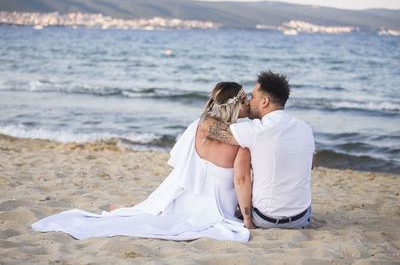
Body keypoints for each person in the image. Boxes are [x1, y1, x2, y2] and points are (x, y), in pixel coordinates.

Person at [31, 82, 252, 242]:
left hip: (194, 199)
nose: (248, 103)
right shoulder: (236, 140)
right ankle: (134, 207)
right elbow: (241, 180)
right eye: (243, 101)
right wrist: (248, 221)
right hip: (211, 209)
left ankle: (134, 207)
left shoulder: (203, 126)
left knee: (148, 210)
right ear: (232, 106)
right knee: (147, 216)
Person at [201, 71, 315, 229]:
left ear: (265, 101)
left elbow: (207, 128)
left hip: (266, 220)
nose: (248, 102)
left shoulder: (255, 130)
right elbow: (310, 165)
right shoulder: (305, 128)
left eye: (253, 97)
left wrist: (213, 109)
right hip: (302, 218)